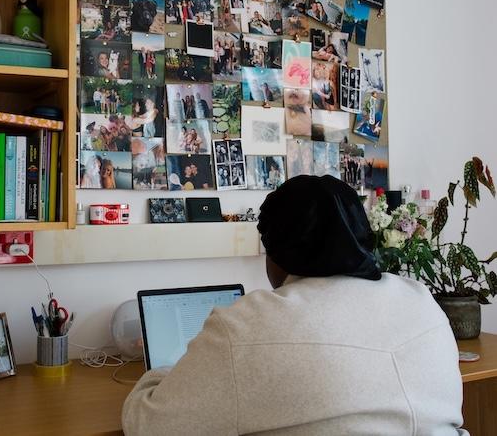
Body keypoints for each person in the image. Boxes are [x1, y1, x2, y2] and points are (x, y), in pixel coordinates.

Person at [122, 175, 467, 435]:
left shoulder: (245, 327)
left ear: (277, 252)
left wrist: (165, 373)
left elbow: (148, 424)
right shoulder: (421, 300)